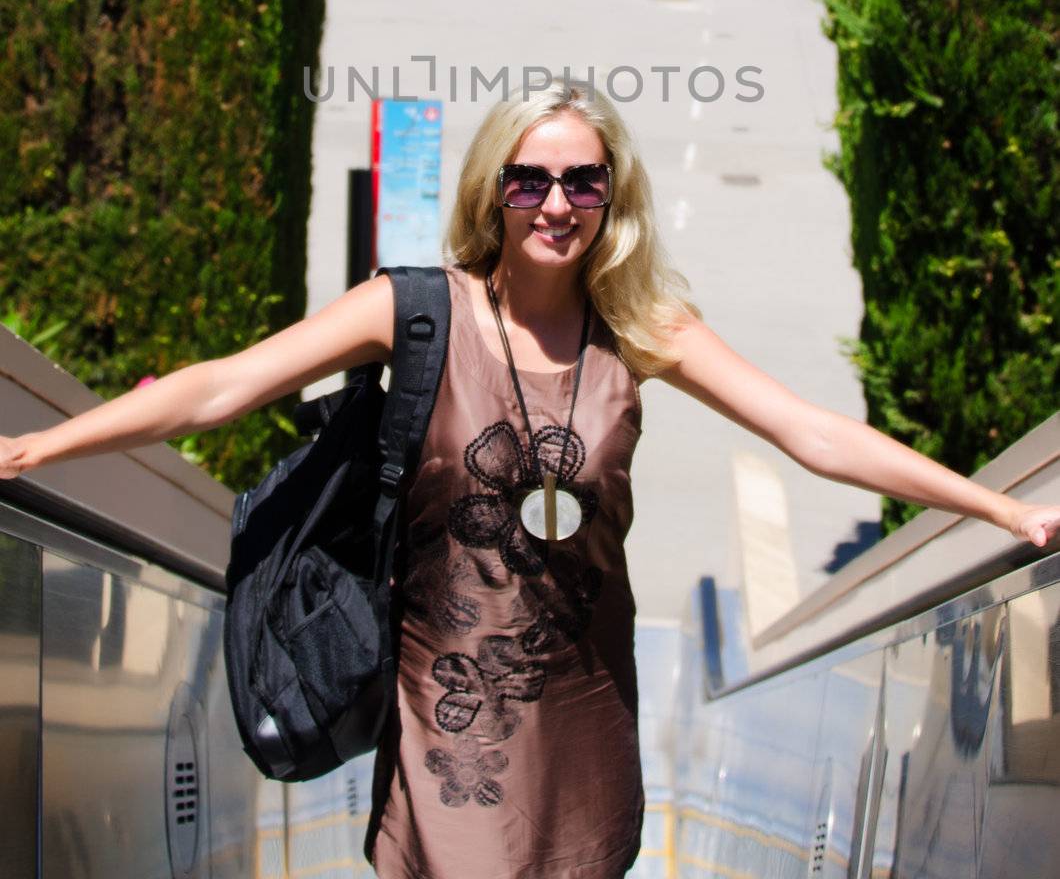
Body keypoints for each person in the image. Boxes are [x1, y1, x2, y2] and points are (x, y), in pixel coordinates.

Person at [2, 77, 1058, 879]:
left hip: (584, 722)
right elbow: (224, 386)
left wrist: (999, 506)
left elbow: (812, 432)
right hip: (442, 720)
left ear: (613, 194)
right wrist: (38, 449)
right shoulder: (417, 310)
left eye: (583, 179)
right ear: (493, 189)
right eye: (532, 178)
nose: (557, 202)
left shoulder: (643, 331)